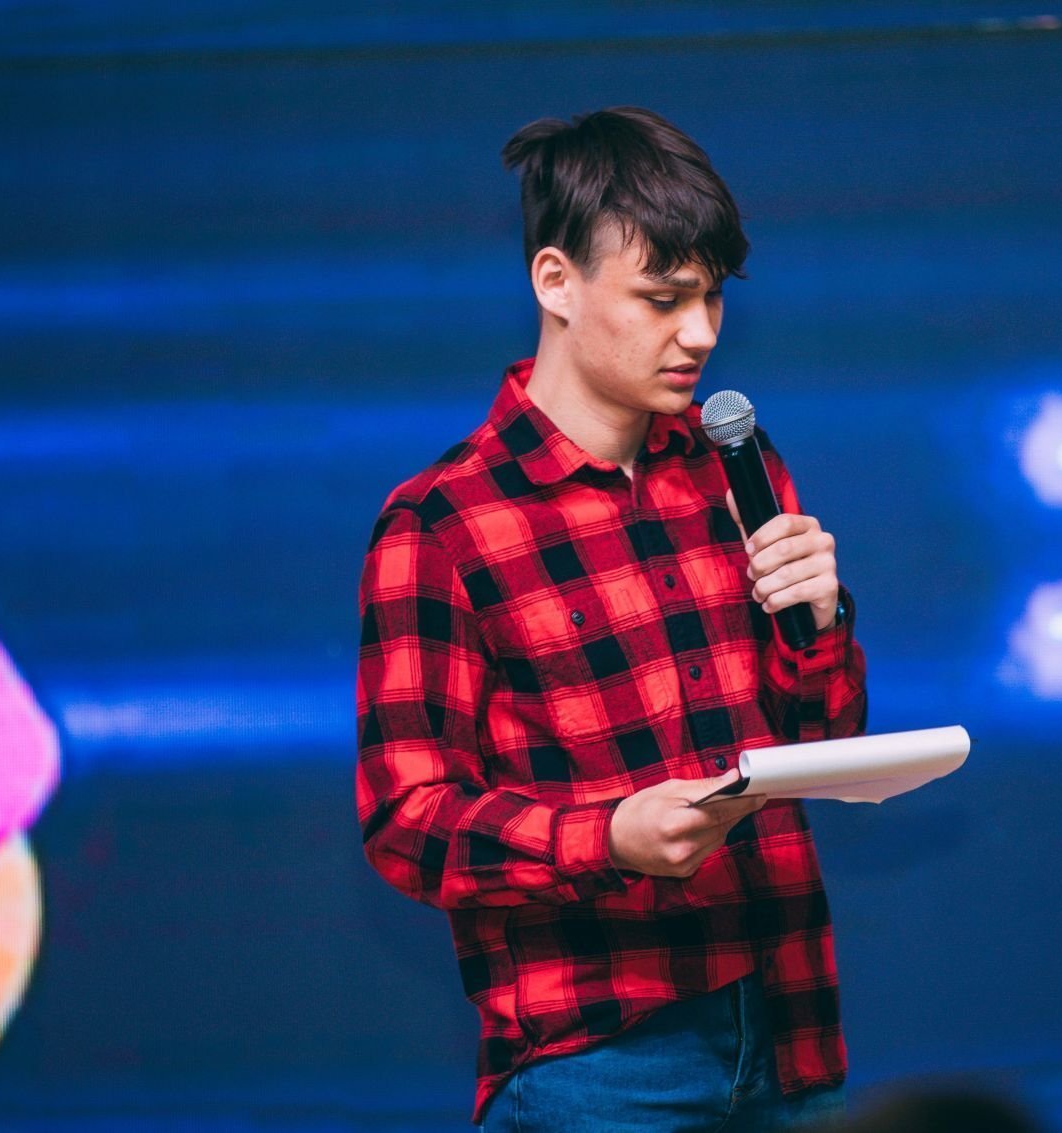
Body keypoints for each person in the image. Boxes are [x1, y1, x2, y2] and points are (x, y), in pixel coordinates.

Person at [354, 106, 867, 1131]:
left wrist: (818, 621)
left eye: (712, 296)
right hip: (597, 1063)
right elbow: (407, 821)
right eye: (663, 298)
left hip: (786, 1022)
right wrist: (608, 837)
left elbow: (824, 736)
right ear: (555, 282)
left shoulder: (736, 465)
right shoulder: (443, 522)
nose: (701, 333)